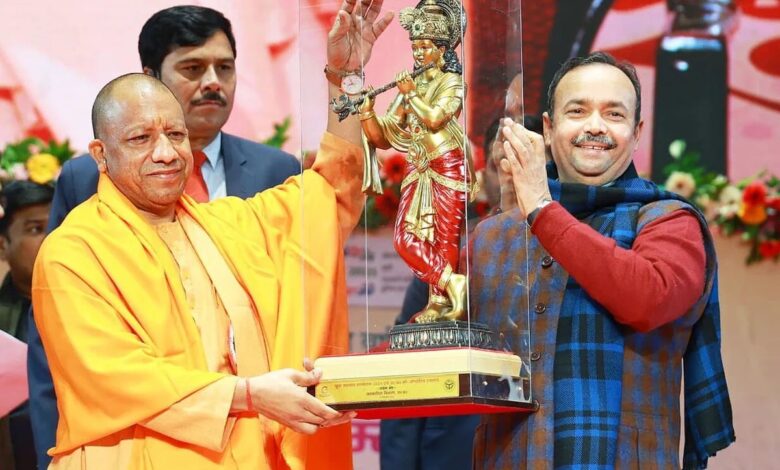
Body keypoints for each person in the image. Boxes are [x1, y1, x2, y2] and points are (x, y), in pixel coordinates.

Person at [30, 1, 393, 469]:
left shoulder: (227, 224)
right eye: (141, 139)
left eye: (176, 135)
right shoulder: (72, 252)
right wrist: (250, 395)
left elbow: (331, 191)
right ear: (101, 154)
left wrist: (346, 80)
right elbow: (115, 375)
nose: (166, 153)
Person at [470, 52, 735, 469]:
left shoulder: (669, 221)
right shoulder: (493, 235)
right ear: (548, 128)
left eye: (614, 114)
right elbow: (443, 334)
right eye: (578, 111)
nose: (595, 126)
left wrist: (542, 207)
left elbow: (646, 298)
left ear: (637, 132)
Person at [358, 0, 476, 323]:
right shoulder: (413, 83)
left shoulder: (453, 83)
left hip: (447, 165)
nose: (419, 53)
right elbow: (384, 135)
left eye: (425, 47)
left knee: (444, 239)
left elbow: (436, 118)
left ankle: (439, 302)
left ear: (442, 50)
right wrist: (367, 113)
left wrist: (410, 94)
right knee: (405, 239)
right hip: (418, 166)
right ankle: (453, 283)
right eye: (415, 47)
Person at [0, 181, 53, 470]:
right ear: (3, 245)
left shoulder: (96, 307)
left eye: (58, 224)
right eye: (36, 229)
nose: (52, 238)